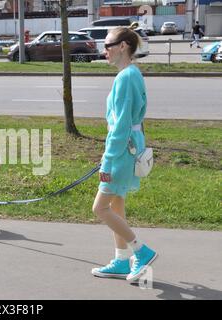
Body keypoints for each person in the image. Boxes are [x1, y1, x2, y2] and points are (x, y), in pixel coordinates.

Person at [90, 26, 157, 282]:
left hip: (122, 152)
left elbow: (121, 125)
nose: (103, 50)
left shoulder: (126, 77)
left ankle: (141, 251)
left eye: (107, 45)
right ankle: (120, 261)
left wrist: (107, 161)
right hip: (128, 147)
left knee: (100, 207)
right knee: (116, 203)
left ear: (123, 46)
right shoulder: (131, 74)